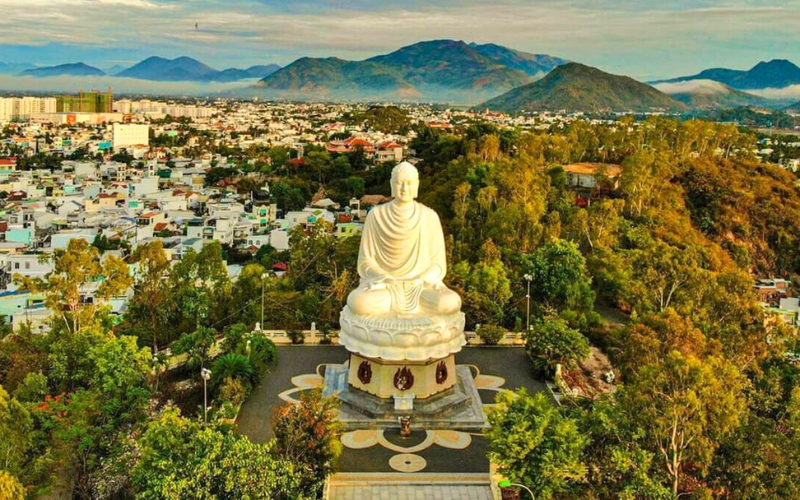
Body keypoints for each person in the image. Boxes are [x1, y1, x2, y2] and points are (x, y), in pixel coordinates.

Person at [346, 162, 461, 317]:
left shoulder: (429, 216)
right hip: (385, 287)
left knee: (449, 302)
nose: (404, 188)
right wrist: (385, 277)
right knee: (359, 303)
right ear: (392, 184)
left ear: (417, 185)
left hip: (421, 286)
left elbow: (438, 264)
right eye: (400, 183)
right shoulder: (376, 215)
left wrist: (421, 279)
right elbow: (365, 262)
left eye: (409, 183)